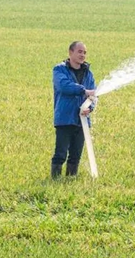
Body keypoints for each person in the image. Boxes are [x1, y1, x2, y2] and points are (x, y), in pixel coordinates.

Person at [51, 41, 96, 179]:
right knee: (60, 154)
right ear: (70, 53)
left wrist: (90, 108)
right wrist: (84, 91)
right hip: (65, 119)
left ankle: (70, 180)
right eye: (79, 51)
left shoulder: (88, 73)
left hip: (81, 121)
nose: (82, 55)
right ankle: (56, 180)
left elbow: (93, 95)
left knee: (76, 155)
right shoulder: (59, 70)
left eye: (84, 52)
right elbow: (64, 86)